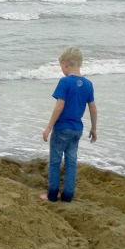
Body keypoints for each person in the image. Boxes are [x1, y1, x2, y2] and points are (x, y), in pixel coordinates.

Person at [41, 46, 97, 202]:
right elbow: (92, 108)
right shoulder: (88, 84)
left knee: (55, 162)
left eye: (61, 67)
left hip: (61, 129)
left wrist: (49, 127)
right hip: (77, 130)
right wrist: (94, 128)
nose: (62, 70)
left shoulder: (64, 82)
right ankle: (68, 196)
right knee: (71, 163)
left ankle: (52, 195)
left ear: (65, 64)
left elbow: (59, 106)